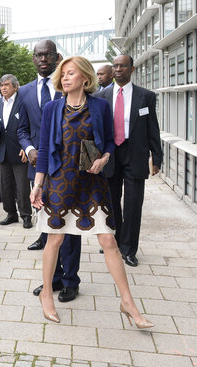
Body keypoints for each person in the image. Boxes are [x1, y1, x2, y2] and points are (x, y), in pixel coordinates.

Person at [30, 55, 153, 330]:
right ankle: (47, 295)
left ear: (85, 78)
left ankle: (128, 302)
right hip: (60, 181)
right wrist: (37, 185)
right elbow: (42, 152)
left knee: (109, 241)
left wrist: (105, 158)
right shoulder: (52, 108)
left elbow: (109, 141)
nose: (65, 77)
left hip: (92, 182)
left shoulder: (99, 106)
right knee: (55, 240)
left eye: (71, 73)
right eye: (63, 74)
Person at [17, 40, 82, 303]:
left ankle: (71, 280)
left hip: (70, 172)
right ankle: (53, 278)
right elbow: (21, 129)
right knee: (48, 227)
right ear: (33, 59)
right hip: (40, 172)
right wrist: (30, 148)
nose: (43, 59)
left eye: (48, 55)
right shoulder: (24, 92)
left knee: (69, 229)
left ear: (58, 58)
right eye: (39, 55)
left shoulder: (70, 87)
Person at [98, 54, 163, 267]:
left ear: (131, 69)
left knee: (133, 205)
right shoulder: (102, 96)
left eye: (123, 66)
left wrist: (157, 157)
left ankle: (129, 249)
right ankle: (114, 243)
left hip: (135, 154)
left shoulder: (146, 97)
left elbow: (152, 128)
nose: (118, 69)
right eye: (115, 66)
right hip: (110, 154)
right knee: (112, 202)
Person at [0, 74, 32, 228]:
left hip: (19, 150)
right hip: (2, 149)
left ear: (15, 87)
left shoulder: (23, 102)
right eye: (1, 85)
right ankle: (11, 213)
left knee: (22, 187)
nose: (3, 88)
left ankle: (26, 215)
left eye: (7, 85)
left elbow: (28, 125)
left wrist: (26, 147)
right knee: (5, 186)